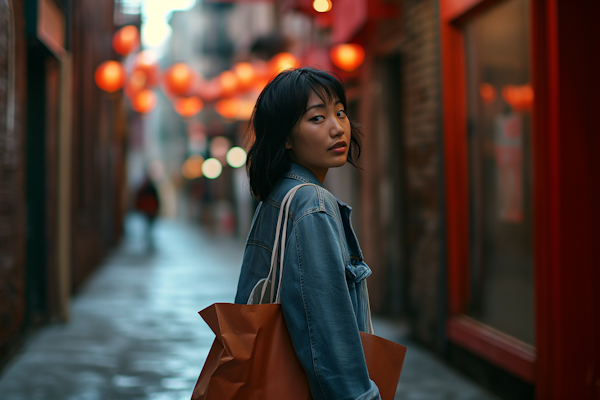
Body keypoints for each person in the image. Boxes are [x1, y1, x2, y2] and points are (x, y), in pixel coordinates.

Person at [234, 67, 380, 400]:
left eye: (340, 113)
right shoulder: (311, 203)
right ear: (286, 137)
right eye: (317, 119)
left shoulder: (279, 196)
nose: (337, 128)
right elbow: (328, 334)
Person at [134, 174, 160, 248]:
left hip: (150, 210)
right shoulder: (145, 189)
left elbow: (156, 200)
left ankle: (148, 238)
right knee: (148, 225)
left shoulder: (147, 189)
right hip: (148, 210)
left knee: (149, 225)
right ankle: (148, 238)